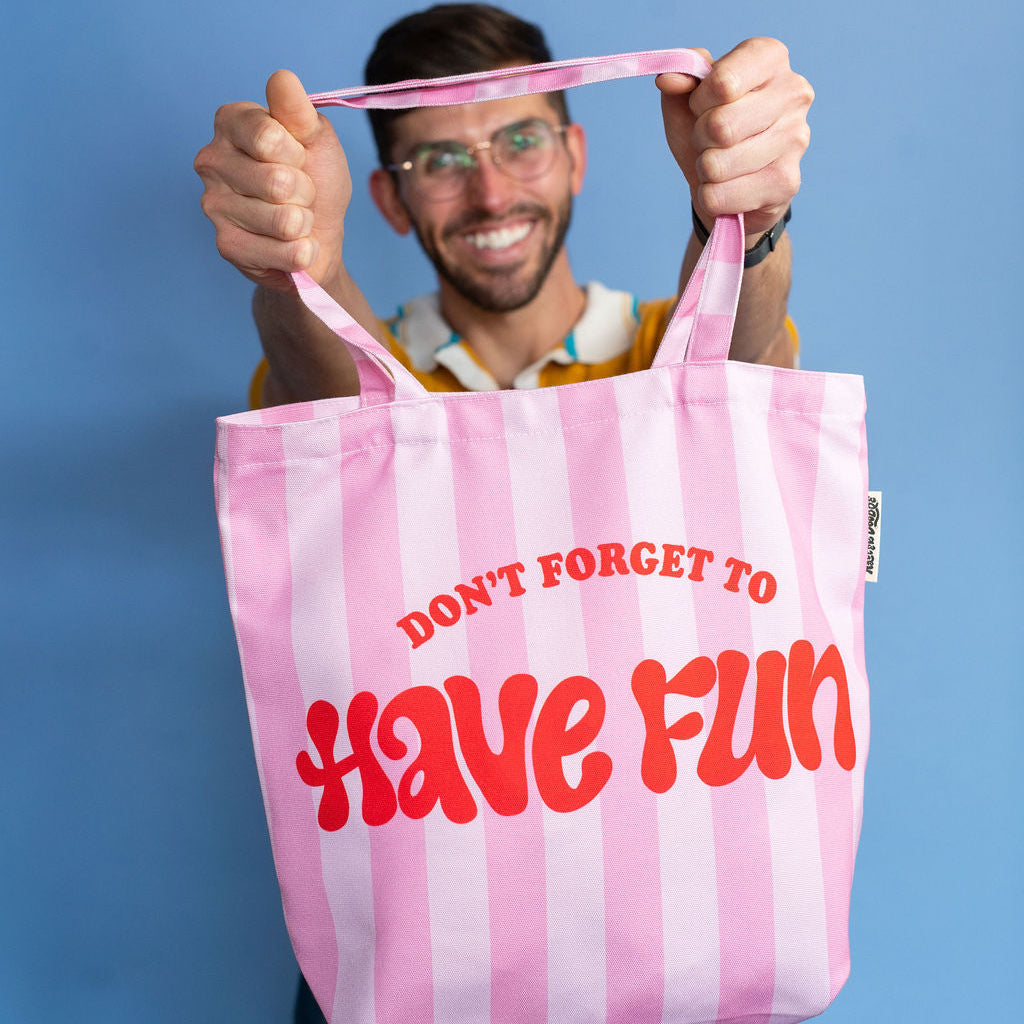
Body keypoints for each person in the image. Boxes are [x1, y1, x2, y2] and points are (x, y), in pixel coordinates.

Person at [194, 5, 813, 1019]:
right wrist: (300, 266)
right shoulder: (362, 402)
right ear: (391, 199)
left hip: (682, 955)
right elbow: (318, 381)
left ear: (574, 155)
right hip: (419, 971)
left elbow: (744, 351)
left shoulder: (669, 350)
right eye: (440, 160)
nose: (489, 191)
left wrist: (746, 221)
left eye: (520, 140)